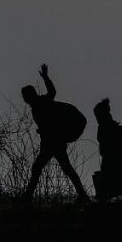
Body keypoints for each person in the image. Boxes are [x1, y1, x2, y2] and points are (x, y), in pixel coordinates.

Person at [22, 63, 90, 202]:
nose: (25, 99)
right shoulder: (36, 107)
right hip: (51, 143)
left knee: (39, 168)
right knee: (65, 169)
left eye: (26, 96)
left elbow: (52, 92)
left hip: (54, 143)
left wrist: (46, 77)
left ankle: (27, 198)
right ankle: (83, 196)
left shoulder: (43, 102)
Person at [92, 98, 122, 202]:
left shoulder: (107, 126)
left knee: (115, 183)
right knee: (115, 183)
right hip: (112, 159)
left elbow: (109, 145)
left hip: (111, 159)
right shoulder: (109, 125)